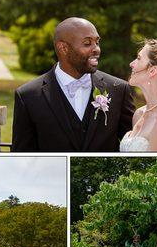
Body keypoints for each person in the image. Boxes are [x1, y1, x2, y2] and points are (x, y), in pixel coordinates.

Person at [12, 17, 134, 152]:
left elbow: (130, 146)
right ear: (63, 48)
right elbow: (22, 156)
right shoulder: (28, 96)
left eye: (97, 42)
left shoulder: (119, 90)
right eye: (87, 43)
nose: (97, 49)